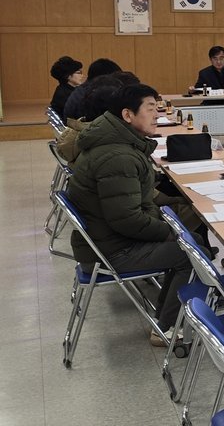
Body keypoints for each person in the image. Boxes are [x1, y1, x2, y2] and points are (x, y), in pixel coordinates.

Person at [67, 83, 194, 347]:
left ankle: (170, 314)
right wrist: (172, 232)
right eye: (150, 109)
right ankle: (166, 329)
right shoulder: (118, 157)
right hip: (111, 251)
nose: (157, 115)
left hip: (104, 241)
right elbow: (127, 220)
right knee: (191, 254)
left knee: (191, 241)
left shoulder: (116, 142)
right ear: (127, 115)